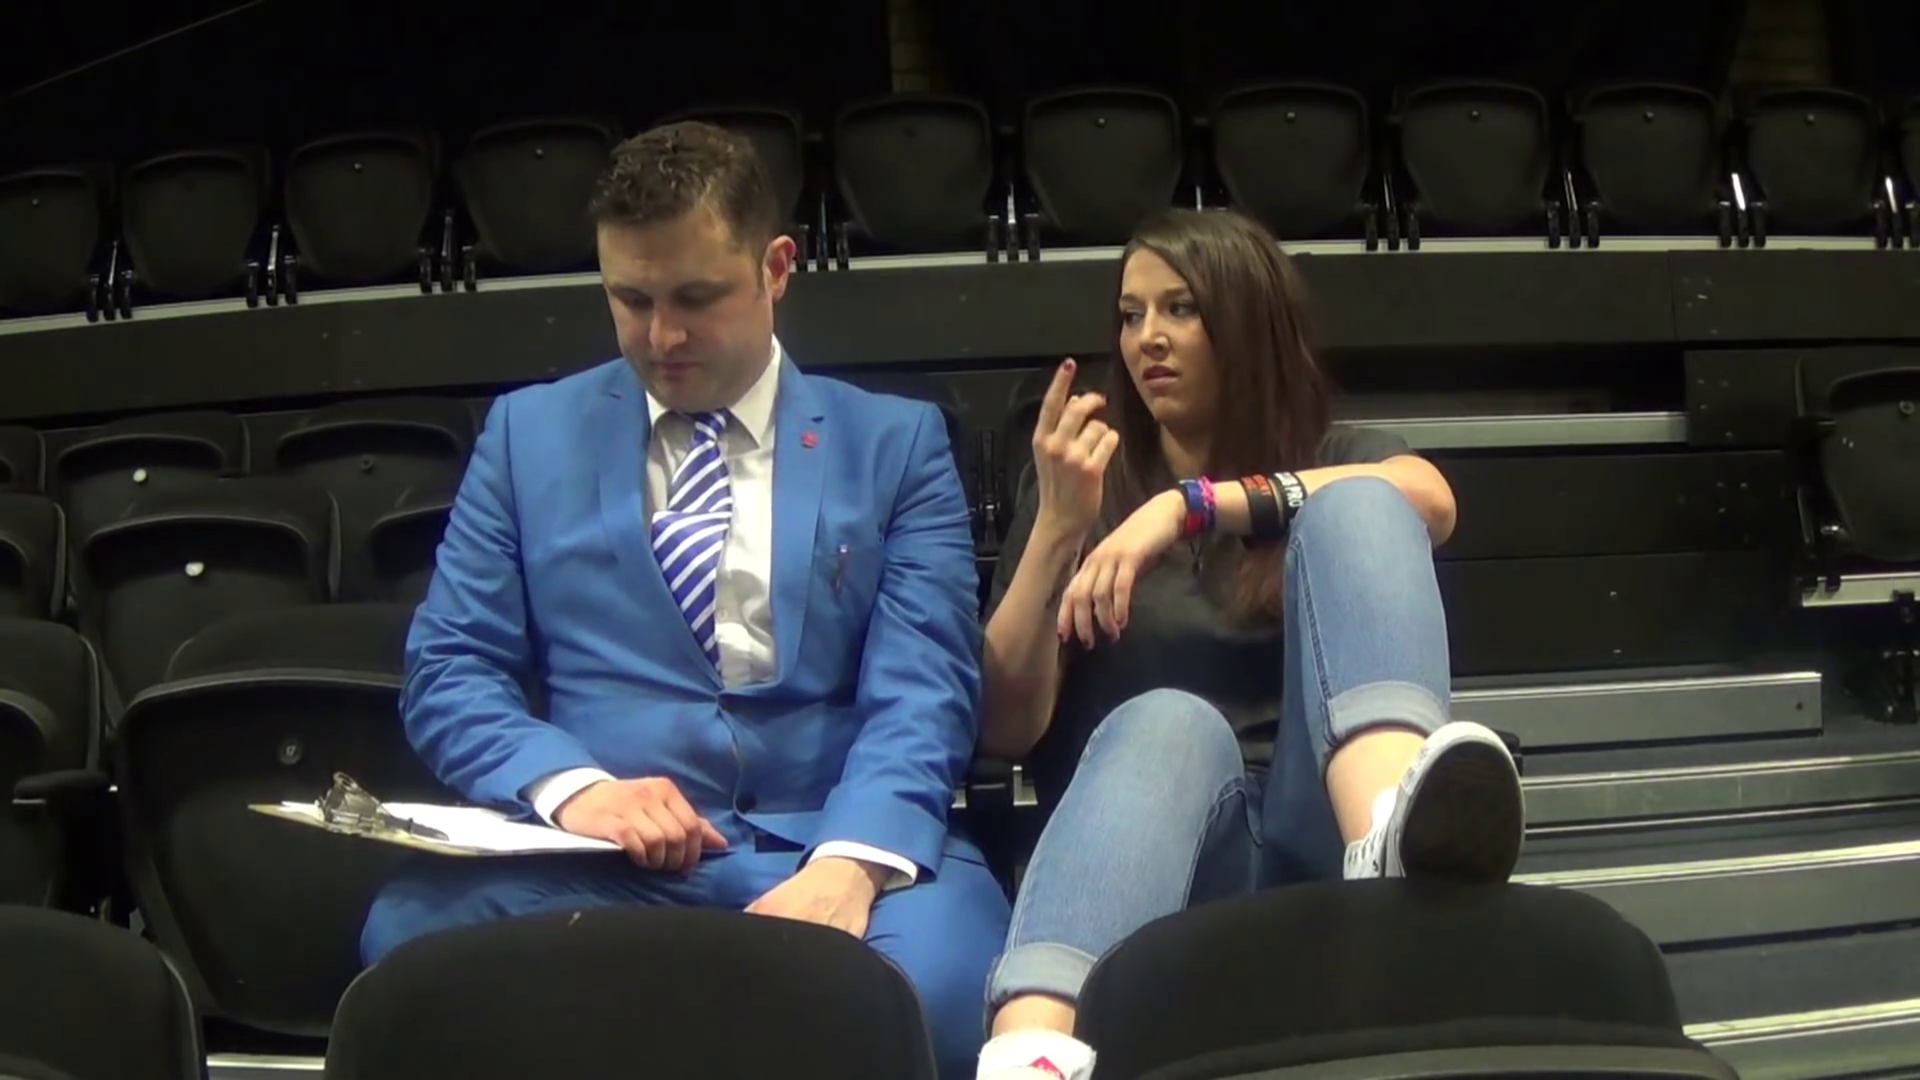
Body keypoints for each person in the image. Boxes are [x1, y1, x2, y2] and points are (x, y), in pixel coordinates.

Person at [359, 121, 1010, 1079]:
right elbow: (450, 671)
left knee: (942, 997)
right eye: (632, 300)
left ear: (777, 267)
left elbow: (925, 692)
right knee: (409, 946)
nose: (662, 337)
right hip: (599, 857)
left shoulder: (895, 444)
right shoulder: (526, 436)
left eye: (696, 299)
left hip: (828, 834)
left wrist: (850, 865)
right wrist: (576, 790)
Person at [972, 209, 1528, 1080]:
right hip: (1164, 846)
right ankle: (1028, 1055)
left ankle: (1389, 835)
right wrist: (1055, 533)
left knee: (1362, 502)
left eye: (1180, 309)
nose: (1148, 338)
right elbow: (1006, 726)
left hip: (1323, 829)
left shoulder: (1335, 454)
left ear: (1245, 322)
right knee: (1168, 720)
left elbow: (1431, 499)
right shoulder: (1086, 489)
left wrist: (1191, 505)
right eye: (1130, 315)